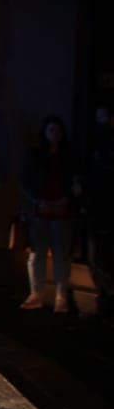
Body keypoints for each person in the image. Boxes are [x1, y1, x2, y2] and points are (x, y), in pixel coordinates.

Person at [18, 114, 85, 313]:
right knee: (37, 254)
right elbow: (26, 182)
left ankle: (61, 296)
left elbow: (77, 181)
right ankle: (36, 294)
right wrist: (38, 201)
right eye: (51, 130)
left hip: (62, 211)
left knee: (61, 255)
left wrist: (68, 198)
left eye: (58, 131)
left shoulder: (70, 157)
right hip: (41, 210)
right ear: (45, 133)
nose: (55, 134)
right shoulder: (35, 155)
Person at [85, 104, 114, 318]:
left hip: (105, 208)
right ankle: (105, 300)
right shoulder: (95, 145)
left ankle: (108, 300)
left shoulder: (105, 147)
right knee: (96, 257)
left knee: (102, 257)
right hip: (95, 209)